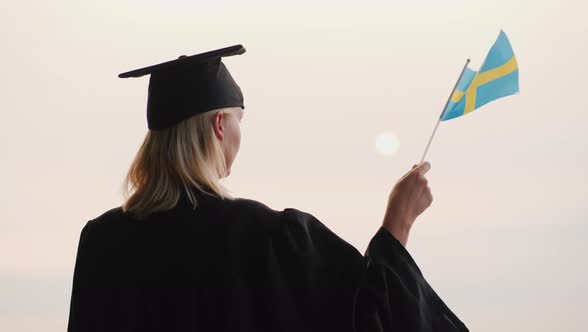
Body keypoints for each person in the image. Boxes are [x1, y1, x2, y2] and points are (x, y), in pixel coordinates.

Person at [67, 45, 469, 332]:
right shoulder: (266, 237)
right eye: (240, 118)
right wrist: (399, 221)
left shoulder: (101, 243)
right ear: (219, 125)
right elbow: (368, 315)